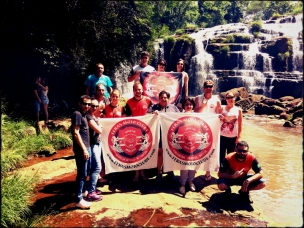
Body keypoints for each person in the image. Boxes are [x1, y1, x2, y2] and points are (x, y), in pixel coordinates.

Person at [194, 80, 221, 181]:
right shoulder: (198, 98)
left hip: (211, 129)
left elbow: (219, 115)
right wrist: (203, 106)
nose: (208, 88)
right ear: (203, 88)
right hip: (199, 128)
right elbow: (195, 112)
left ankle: (208, 172)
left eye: (210, 86)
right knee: (197, 148)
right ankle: (194, 169)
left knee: (210, 149)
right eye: (206, 86)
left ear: (213, 88)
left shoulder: (217, 100)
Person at [149, 90, 180, 182]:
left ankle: (170, 170)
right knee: (160, 153)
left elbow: (180, 118)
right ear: (159, 99)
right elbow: (146, 116)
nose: (163, 99)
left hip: (170, 134)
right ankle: (159, 172)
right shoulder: (153, 107)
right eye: (161, 97)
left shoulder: (174, 108)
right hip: (158, 133)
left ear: (168, 99)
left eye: (165, 97)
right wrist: (152, 114)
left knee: (170, 153)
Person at [125, 82, 152, 181]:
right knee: (135, 153)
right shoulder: (129, 102)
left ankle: (143, 173)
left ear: (142, 90)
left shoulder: (148, 101)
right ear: (133, 90)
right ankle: (136, 173)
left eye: (139, 89)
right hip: (134, 132)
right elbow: (126, 117)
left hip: (146, 131)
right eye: (136, 89)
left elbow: (152, 113)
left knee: (144, 152)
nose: (138, 91)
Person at [71, 95, 92, 209]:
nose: (87, 106)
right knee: (82, 175)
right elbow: (76, 133)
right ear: (79, 103)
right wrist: (84, 149)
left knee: (85, 173)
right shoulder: (77, 114)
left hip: (86, 148)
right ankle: (78, 200)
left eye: (88, 104)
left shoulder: (84, 114)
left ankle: (83, 193)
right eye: (85, 103)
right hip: (81, 150)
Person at [85, 98, 104, 202]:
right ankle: (91, 192)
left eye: (96, 106)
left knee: (94, 168)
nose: (94, 108)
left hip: (97, 143)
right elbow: (99, 130)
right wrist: (100, 126)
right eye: (92, 106)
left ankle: (92, 188)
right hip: (92, 145)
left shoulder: (92, 116)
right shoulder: (88, 117)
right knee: (96, 168)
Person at [179, 98, 196, 195]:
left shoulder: (197, 116)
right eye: (187, 104)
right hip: (184, 142)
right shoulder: (180, 116)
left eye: (190, 104)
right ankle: (182, 183)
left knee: (194, 161)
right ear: (184, 106)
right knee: (184, 162)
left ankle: (190, 181)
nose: (188, 106)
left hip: (194, 143)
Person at [219, 92, 243, 164]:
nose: (230, 99)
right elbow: (215, 118)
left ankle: (229, 171)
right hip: (221, 136)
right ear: (226, 99)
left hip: (232, 137)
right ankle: (221, 171)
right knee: (221, 155)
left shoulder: (238, 110)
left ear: (234, 98)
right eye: (228, 98)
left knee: (231, 155)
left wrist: (239, 137)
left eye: (231, 97)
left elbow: (240, 124)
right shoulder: (221, 108)